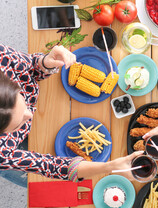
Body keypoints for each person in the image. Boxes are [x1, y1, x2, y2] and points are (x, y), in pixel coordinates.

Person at [0, 44, 141, 187]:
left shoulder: (2, 58)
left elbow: (30, 67)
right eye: (17, 124)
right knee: (37, 184)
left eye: (22, 101)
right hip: (9, 151)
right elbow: (50, 166)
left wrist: (45, 63)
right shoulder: (2, 152)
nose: (30, 114)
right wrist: (110, 167)